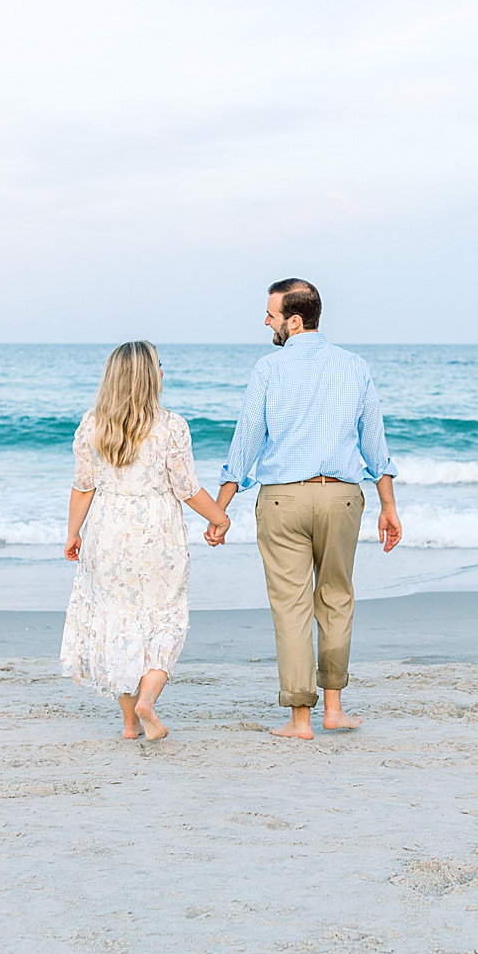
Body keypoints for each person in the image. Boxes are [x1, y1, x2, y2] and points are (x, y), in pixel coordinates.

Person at [214, 278, 402, 741]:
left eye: (271, 315)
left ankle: (300, 720)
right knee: (336, 598)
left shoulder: (268, 369)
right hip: (342, 497)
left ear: (294, 321)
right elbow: (374, 443)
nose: (266, 322)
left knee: (291, 607)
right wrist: (388, 506)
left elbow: (246, 441)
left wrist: (221, 509)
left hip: (283, 499)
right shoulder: (355, 366)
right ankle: (334, 710)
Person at [61, 341, 232, 741]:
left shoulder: (93, 424)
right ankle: (148, 700)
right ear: (149, 375)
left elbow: (83, 487)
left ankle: (128, 723)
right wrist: (219, 518)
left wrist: (73, 533)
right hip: (158, 532)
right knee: (165, 617)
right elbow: (187, 488)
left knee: (117, 621)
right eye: (159, 364)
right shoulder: (171, 425)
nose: (162, 370)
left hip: (107, 531)